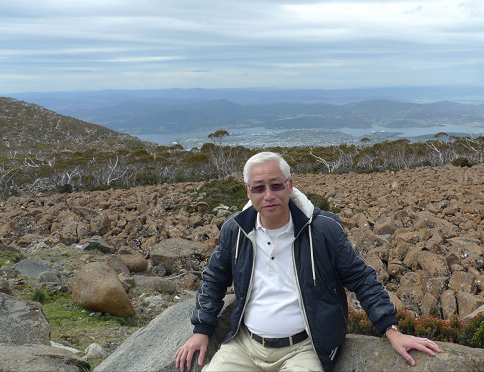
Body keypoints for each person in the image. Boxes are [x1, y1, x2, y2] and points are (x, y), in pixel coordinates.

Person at [174, 152, 440, 371]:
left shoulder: (323, 230)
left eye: (276, 185)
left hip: (304, 349)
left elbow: (361, 279)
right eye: (259, 188)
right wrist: (201, 329)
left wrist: (392, 330)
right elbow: (214, 279)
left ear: (290, 185)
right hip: (245, 346)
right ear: (248, 191)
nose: (268, 195)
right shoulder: (236, 230)